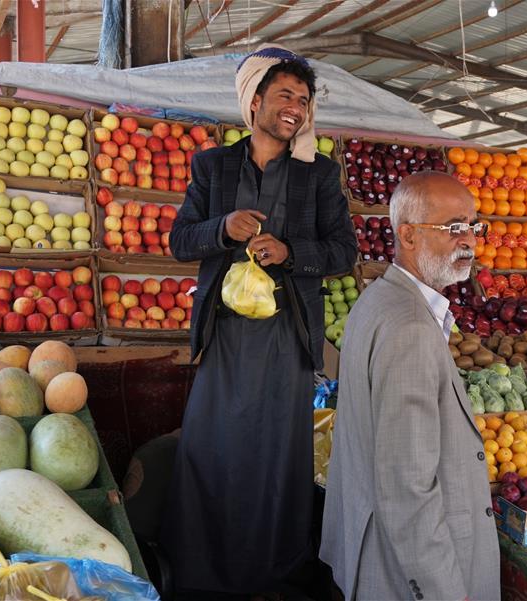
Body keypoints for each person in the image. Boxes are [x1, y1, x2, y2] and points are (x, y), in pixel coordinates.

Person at [161, 45, 357, 599]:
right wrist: (223, 227)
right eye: (284, 95)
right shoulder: (214, 166)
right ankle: (203, 569)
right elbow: (180, 241)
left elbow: (344, 251)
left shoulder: (319, 175)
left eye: (303, 97)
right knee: (213, 445)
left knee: (276, 455)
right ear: (254, 102)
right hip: (225, 334)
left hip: (286, 338)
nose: (295, 106)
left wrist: (290, 252)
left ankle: (271, 569)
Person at [320, 171, 501, 601]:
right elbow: (408, 484)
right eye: (454, 227)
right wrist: (444, 592)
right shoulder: (411, 329)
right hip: (401, 573)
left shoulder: (379, 298)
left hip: (377, 550)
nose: (470, 240)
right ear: (408, 235)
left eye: (473, 226)